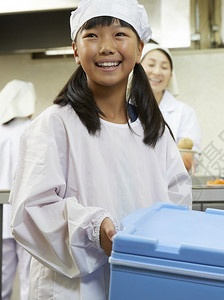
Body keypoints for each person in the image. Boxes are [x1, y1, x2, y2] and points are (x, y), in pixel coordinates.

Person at [9, 0, 192, 299]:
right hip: (74, 290)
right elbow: (31, 211)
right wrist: (94, 229)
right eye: (92, 35)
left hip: (142, 284)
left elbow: (178, 203)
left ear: (140, 48)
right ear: (75, 51)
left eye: (120, 34)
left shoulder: (154, 132)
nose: (106, 47)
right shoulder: (55, 125)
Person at [140, 43, 202, 170]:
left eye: (164, 67)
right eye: (151, 65)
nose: (157, 72)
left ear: (171, 74)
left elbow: (188, 161)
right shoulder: (121, 108)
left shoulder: (184, 112)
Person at [0, 80, 34, 300]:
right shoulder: (34, 130)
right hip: (28, 217)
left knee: (2, 276)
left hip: (2, 217)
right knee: (29, 279)